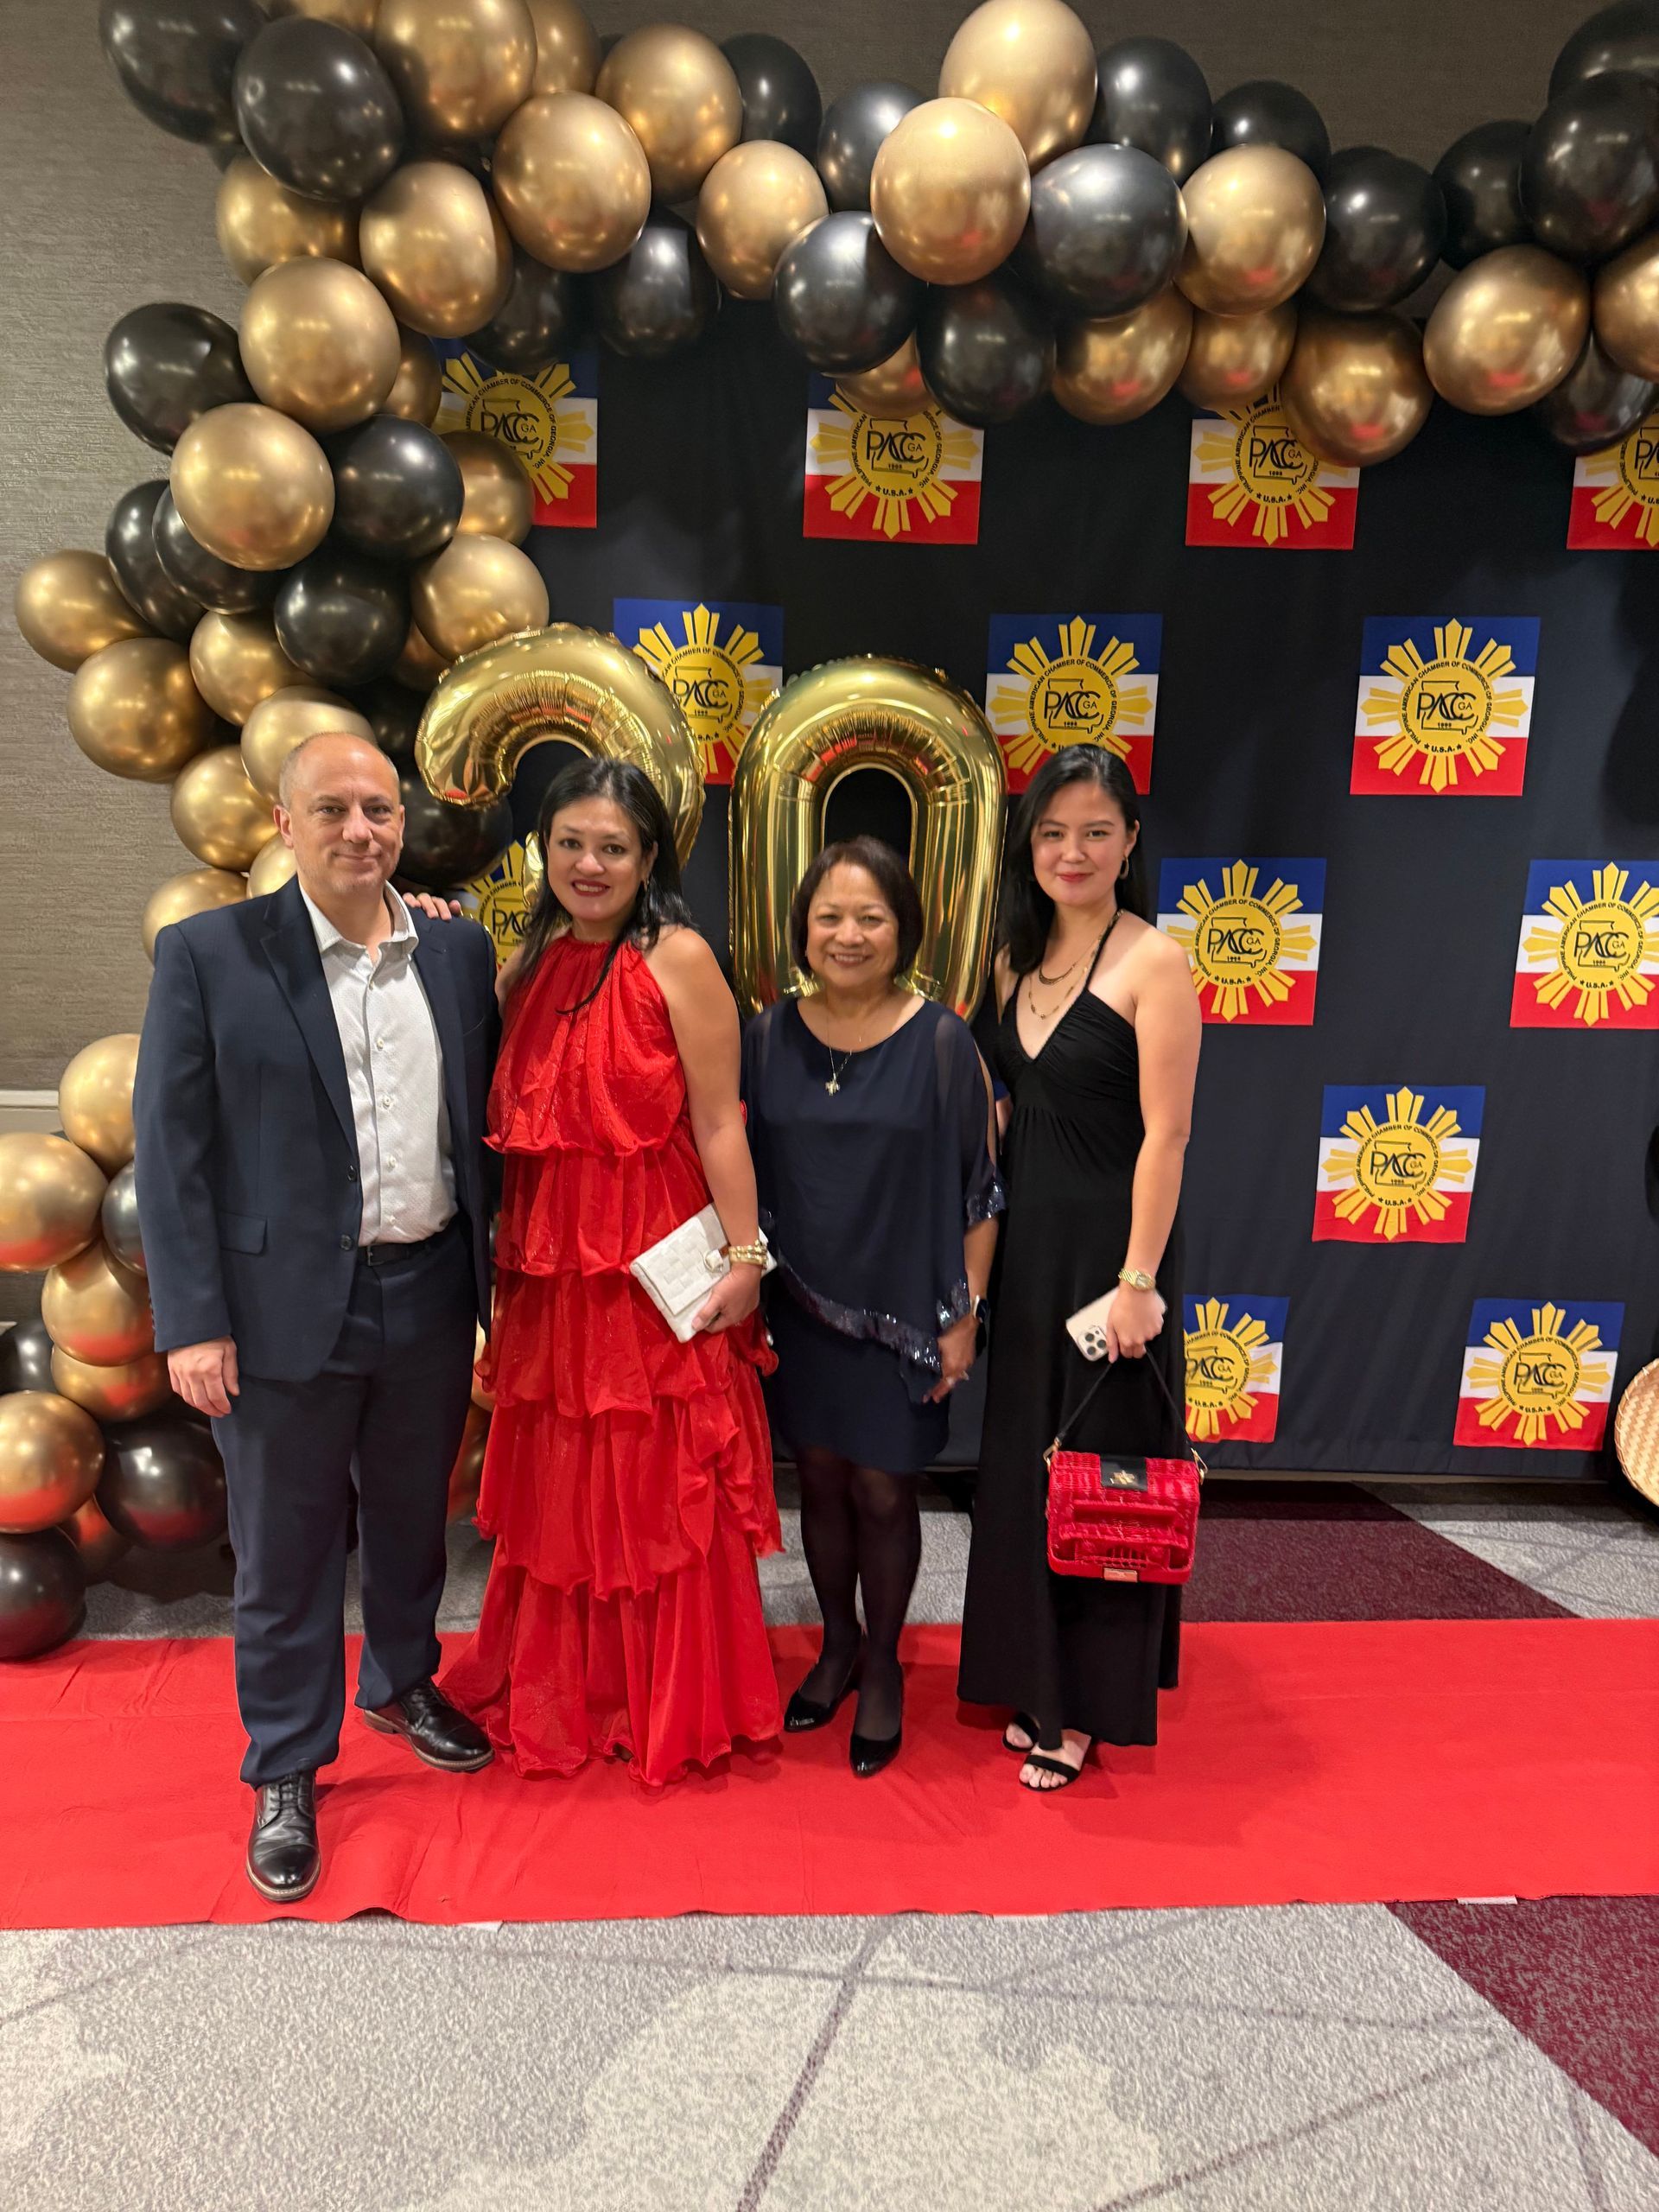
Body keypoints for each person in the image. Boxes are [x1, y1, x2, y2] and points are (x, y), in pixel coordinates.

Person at [133, 731, 499, 1904]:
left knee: (411, 1520)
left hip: (431, 1291)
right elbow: (172, 1153)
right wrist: (192, 1322)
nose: (360, 831)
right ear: (284, 826)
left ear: (405, 824)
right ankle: (287, 1762)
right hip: (279, 1306)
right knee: (286, 1552)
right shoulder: (209, 956)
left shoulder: (455, 951)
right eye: (332, 810)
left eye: (380, 810)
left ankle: (398, 1681)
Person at [440, 756, 782, 1786]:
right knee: (564, 1480)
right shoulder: (528, 957)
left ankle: (664, 1695)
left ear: (649, 859)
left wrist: (748, 1256)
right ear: (545, 852)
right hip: (552, 1269)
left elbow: (721, 1120)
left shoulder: (678, 956)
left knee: (652, 1476)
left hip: (652, 1269)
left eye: (614, 848)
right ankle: (572, 1688)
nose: (589, 865)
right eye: (571, 844)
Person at [957, 746, 1202, 1792]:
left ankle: (1085, 1710)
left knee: (1105, 1483)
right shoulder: (1013, 960)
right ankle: (1031, 1678)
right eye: (1053, 831)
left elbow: (1169, 1137)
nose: (1073, 850)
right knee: (1029, 1471)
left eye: (1096, 830)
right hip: (1027, 1262)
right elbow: (1001, 1109)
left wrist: (1141, 1279)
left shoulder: (1157, 962)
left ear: (1130, 841)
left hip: (1111, 1265)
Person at [742, 838, 1002, 1777]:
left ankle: (885, 1661)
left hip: (905, 1317)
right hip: (798, 1313)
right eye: (830, 917)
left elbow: (981, 1192)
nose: (847, 935)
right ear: (802, 928)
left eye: (870, 918)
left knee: (886, 1488)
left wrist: (964, 1314)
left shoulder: (942, 1041)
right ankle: (837, 1646)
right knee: (818, 1483)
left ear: (904, 930)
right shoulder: (765, 1036)